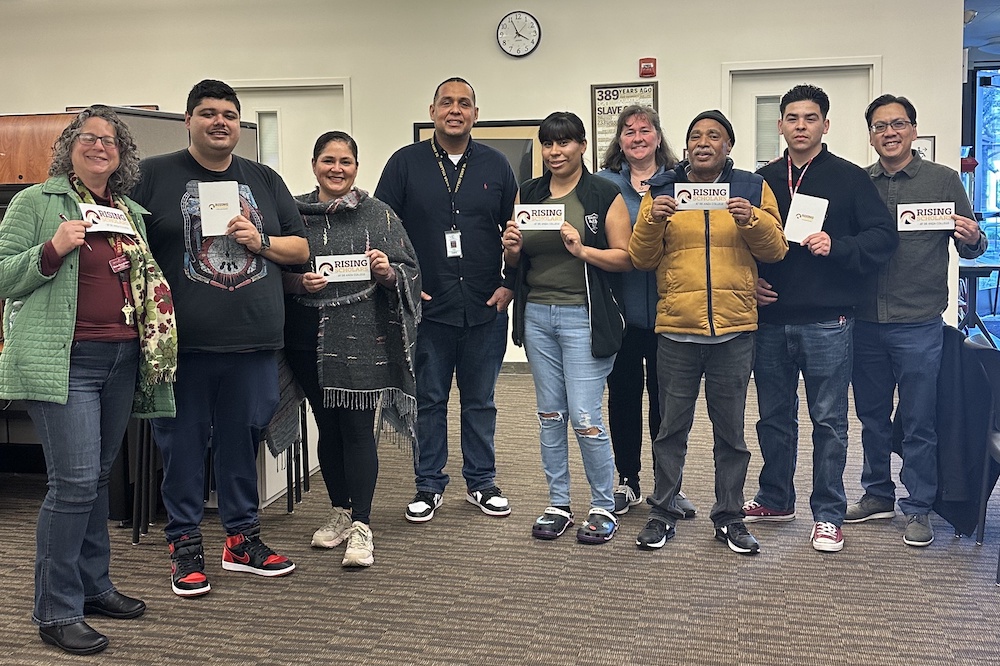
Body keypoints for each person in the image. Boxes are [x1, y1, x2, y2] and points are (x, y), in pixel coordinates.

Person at [0, 106, 176, 654]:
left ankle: (94, 586)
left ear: (122, 155)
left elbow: (141, 281)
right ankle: (56, 610)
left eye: (110, 140)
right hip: (66, 360)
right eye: (88, 137)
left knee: (97, 479)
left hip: (122, 358)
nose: (99, 145)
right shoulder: (36, 202)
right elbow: (2, 275)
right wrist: (52, 249)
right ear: (69, 146)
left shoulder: (128, 212)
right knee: (73, 483)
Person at [132, 79, 309, 596]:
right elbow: (128, 249)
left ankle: (241, 540)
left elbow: (300, 250)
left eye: (229, 114)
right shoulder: (151, 176)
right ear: (187, 120)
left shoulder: (264, 179)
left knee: (242, 443)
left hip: (253, 341)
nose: (220, 122)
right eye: (208, 113)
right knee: (182, 447)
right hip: (180, 346)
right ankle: (184, 544)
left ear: (238, 124)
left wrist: (261, 240)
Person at [629, 110, 787, 555]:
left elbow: (776, 250)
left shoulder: (753, 187)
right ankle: (663, 512)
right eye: (695, 136)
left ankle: (730, 517)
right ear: (686, 146)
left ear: (728, 145)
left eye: (714, 136)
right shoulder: (662, 188)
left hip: (734, 332)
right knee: (670, 430)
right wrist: (652, 219)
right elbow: (642, 258)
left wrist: (751, 219)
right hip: (677, 330)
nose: (703, 142)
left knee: (731, 434)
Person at [747, 84, 898, 553]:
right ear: (780, 125)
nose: (801, 126)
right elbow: (739, 243)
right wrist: (750, 281)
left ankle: (829, 514)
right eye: (792, 118)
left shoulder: (850, 178)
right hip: (770, 319)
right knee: (773, 418)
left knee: (829, 421)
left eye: (810, 118)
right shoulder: (761, 180)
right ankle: (776, 498)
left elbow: (883, 237)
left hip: (828, 322)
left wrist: (839, 246)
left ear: (825, 125)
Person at [375, 77, 518, 523]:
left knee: (481, 401)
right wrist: (403, 281)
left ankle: (482, 483)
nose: (455, 110)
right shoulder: (405, 163)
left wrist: (511, 283)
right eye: (447, 102)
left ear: (476, 113)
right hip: (427, 307)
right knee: (430, 400)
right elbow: (381, 227)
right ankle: (429, 485)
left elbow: (517, 231)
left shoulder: (496, 165)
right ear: (433, 111)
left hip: (485, 304)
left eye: (464, 103)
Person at [847, 94, 986, 547]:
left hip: (919, 323)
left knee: (919, 420)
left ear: (913, 129)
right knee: (871, 416)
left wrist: (973, 237)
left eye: (898, 124)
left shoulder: (943, 180)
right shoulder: (857, 182)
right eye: (880, 126)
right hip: (865, 321)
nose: (889, 132)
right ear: (871, 135)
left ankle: (919, 506)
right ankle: (877, 494)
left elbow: (971, 247)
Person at [284, 131, 421, 567]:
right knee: (327, 427)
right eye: (328, 160)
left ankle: (362, 525)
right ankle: (340, 512)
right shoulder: (293, 213)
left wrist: (387, 273)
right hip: (308, 338)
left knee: (359, 430)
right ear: (314, 165)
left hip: (364, 340)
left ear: (357, 168)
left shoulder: (379, 215)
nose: (336, 169)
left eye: (345, 161)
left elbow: (410, 271)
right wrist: (298, 282)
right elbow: (272, 271)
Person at [503, 111, 632, 543]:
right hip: (538, 316)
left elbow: (626, 257)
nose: (555, 151)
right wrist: (511, 249)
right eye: (548, 143)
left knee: (584, 415)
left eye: (564, 142)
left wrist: (582, 250)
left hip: (584, 317)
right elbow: (517, 259)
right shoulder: (529, 192)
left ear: (582, 146)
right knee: (550, 414)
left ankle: (603, 505)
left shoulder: (602, 193)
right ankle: (558, 502)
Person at [596, 105, 696, 519]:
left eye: (644, 130)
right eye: (628, 131)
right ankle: (627, 480)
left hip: (670, 313)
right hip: (619, 315)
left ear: (658, 136)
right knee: (622, 399)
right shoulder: (603, 185)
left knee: (667, 405)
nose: (637, 138)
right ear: (619, 141)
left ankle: (668, 485)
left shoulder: (682, 181)